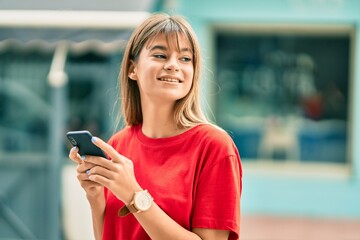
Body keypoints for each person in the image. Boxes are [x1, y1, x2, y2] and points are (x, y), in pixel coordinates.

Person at [68, 13, 242, 240]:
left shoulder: (214, 147)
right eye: (160, 55)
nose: (173, 66)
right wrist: (95, 196)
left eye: (185, 59)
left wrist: (134, 195)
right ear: (133, 69)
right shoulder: (117, 146)